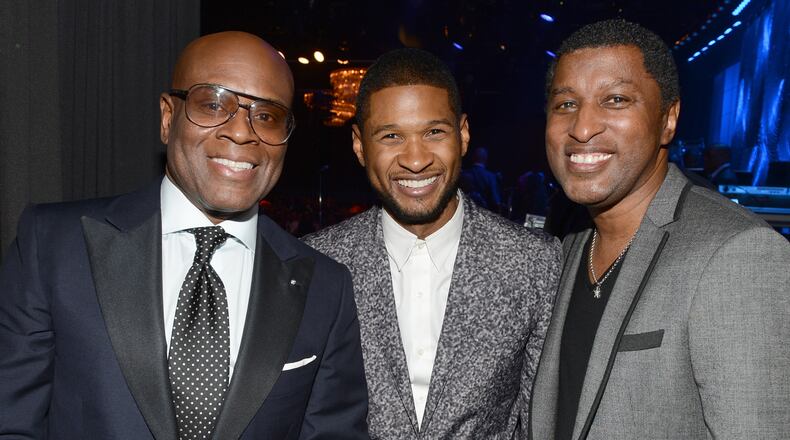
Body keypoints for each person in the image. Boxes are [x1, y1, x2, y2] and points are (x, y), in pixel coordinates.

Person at [0, 31, 368, 439]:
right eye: (213, 104)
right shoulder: (53, 247)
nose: (241, 132)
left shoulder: (325, 288)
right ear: (167, 118)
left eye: (266, 116)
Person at [530, 19, 790, 439]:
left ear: (668, 119)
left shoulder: (739, 253)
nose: (582, 127)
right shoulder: (571, 243)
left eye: (615, 100)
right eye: (566, 104)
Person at [304, 48, 561, 439]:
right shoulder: (316, 263)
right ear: (359, 145)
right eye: (391, 136)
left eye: (434, 132)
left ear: (463, 134)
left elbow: (540, 423)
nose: (415, 159)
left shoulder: (535, 263)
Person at [461, 146, 504, 213]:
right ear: (485, 158)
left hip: (465, 212)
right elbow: (496, 200)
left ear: (473, 157)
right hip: (484, 214)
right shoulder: (490, 176)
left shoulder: (463, 174)